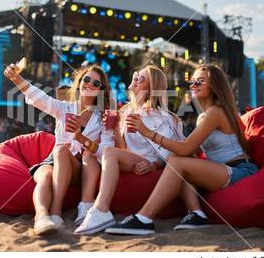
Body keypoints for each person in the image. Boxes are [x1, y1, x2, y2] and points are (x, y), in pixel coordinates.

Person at [103, 63, 258, 235]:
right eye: (192, 81)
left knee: (176, 161)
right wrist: (157, 162)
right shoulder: (203, 117)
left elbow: (184, 149)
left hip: (240, 170)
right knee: (179, 159)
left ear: (214, 86)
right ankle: (196, 214)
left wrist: (147, 132)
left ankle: (144, 218)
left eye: (200, 82)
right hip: (222, 170)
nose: (193, 85)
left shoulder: (216, 112)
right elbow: (190, 151)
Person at [4, 63, 114, 235]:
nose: (89, 84)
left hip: (80, 166)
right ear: (79, 83)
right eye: (86, 79)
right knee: (46, 173)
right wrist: (16, 78)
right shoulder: (64, 108)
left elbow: (107, 150)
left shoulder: (103, 119)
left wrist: (81, 139)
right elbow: (39, 97)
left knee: (62, 149)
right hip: (52, 161)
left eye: (96, 83)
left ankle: (55, 211)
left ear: (101, 90)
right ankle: (41, 217)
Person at [74, 65, 185, 235]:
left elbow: (175, 150)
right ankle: (90, 206)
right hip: (132, 159)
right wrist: (116, 130)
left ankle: (101, 209)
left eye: (141, 79)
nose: (135, 79)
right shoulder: (126, 111)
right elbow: (123, 149)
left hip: (149, 163)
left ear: (150, 89)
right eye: (136, 74)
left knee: (108, 153)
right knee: (95, 153)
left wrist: (155, 165)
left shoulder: (163, 117)